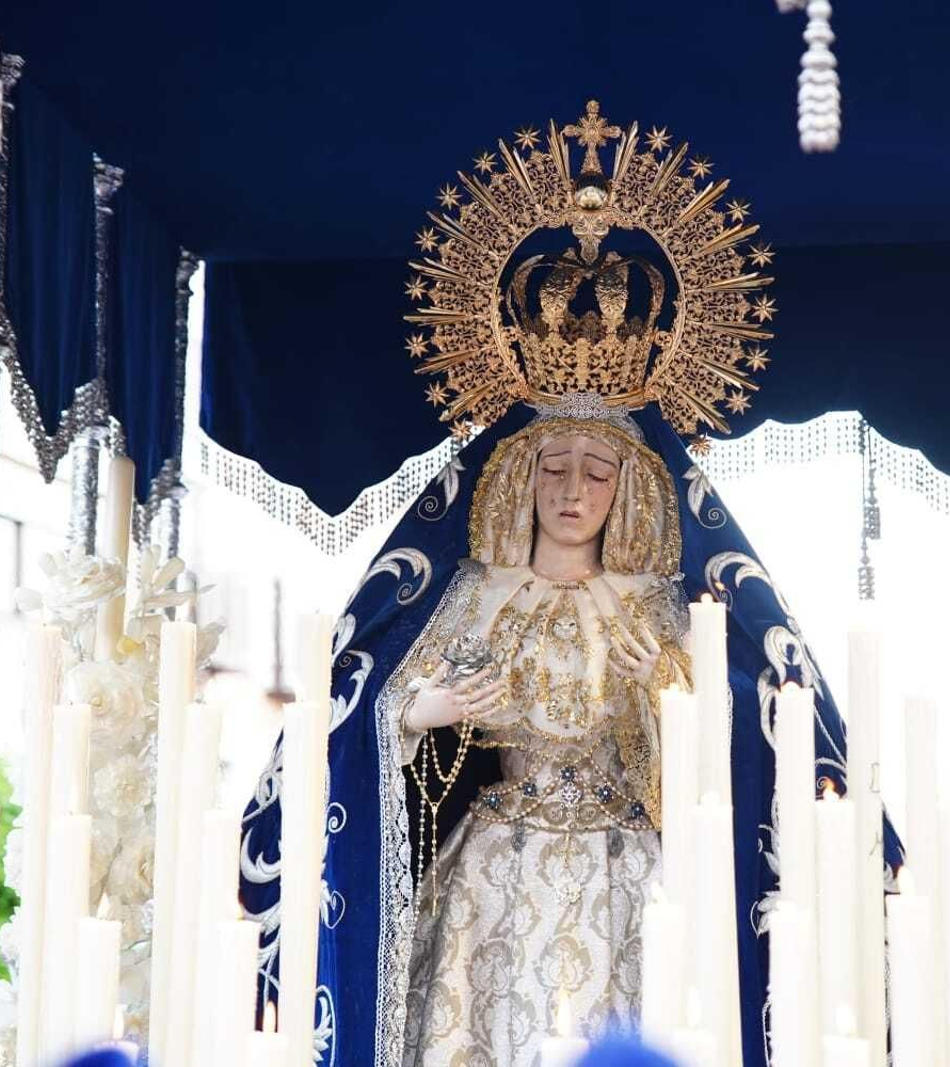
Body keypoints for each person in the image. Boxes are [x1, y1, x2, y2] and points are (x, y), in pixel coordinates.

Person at [238, 100, 901, 1067]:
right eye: (553, 467)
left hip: (629, 878)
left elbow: (722, 769)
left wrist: (669, 692)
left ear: (632, 490)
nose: (573, 490)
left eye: (598, 471)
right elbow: (369, 711)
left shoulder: (660, 609)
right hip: (492, 878)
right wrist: (410, 715)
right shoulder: (473, 593)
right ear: (520, 476)